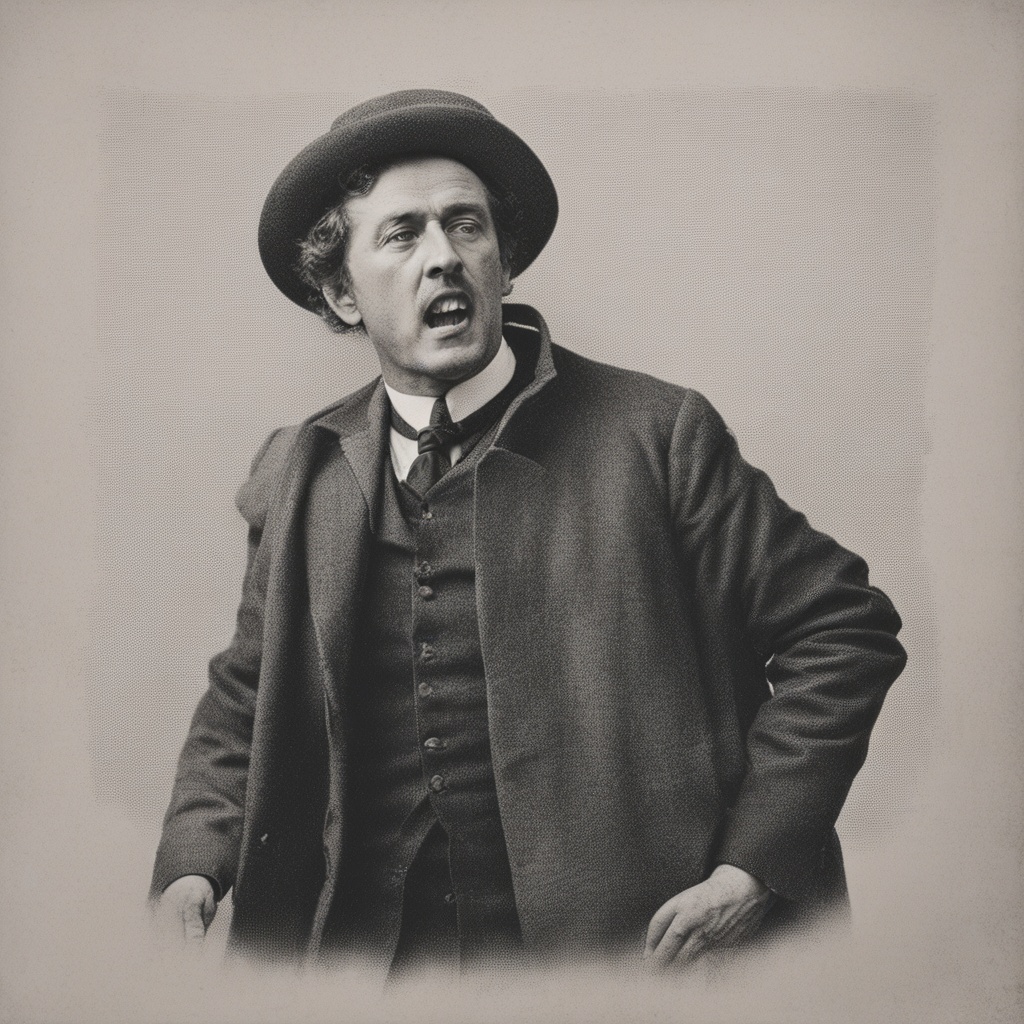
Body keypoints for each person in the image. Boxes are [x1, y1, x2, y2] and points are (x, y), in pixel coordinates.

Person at [149, 89, 907, 980]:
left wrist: (753, 862)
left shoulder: (656, 435)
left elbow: (843, 631)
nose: (444, 256)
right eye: (402, 235)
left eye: (465, 225)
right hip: (373, 959)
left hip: (618, 955)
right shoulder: (298, 469)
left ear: (503, 263)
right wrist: (195, 860)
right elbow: (247, 691)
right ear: (341, 293)